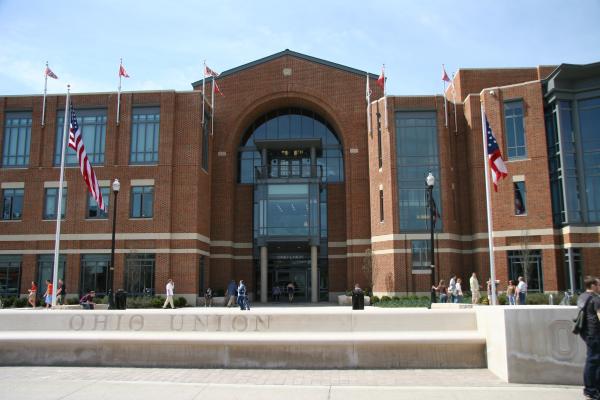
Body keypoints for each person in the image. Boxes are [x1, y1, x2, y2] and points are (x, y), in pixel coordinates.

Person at [576, 276, 600, 400]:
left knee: (593, 360)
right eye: (598, 285)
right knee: (594, 361)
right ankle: (591, 390)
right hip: (595, 333)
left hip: (586, 333)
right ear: (593, 286)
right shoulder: (596, 299)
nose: (599, 287)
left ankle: (592, 389)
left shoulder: (582, 297)